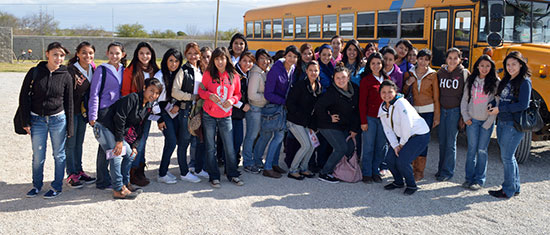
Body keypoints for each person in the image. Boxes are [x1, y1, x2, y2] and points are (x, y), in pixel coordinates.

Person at [94, 78, 162, 199]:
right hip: (104, 126)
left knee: (130, 154)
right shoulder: (132, 98)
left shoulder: (148, 106)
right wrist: (119, 141)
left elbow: (139, 127)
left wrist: (134, 146)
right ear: (144, 88)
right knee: (116, 154)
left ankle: (126, 183)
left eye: (157, 93)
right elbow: (119, 118)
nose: (154, 95)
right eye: (152, 91)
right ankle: (118, 189)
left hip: (114, 130)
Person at [21, 42, 74, 199]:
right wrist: (25, 121)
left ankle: (56, 187)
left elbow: (69, 103)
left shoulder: (66, 75)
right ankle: (36, 185)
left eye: (62, 55)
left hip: (58, 120)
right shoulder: (35, 72)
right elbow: (23, 97)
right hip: (37, 120)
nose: (58, 58)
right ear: (47, 54)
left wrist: (70, 127)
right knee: (38, 155)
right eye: (55, 54)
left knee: (59, 155)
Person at [487, 51, 531, 198]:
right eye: (508, 64)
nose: (510, 67)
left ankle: (508, 190)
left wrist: (500, 109)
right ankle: (514, 186)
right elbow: (499, 98)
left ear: (521, 64)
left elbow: (523, 105)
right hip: (502, 122)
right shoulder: (506, 80)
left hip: (513, 124)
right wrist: (492, 105)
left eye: (514, 64)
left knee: (506, 157)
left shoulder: (525, 82)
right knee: (509, 157)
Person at [198, 47, 244, 188]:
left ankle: (232, 174)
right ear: (214, 60)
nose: (219, 61)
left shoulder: (234, 75)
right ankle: (214, 176)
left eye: (222, 58)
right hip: (209, 115)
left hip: (226, 116)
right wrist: (208, 95)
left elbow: (238, 94)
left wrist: (232, 101)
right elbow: (200, 91)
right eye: (217, 58)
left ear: (227, 59)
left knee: (229, 147)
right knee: (211, 147)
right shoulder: (208, 74)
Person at [255, 45, 299, 178]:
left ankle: (273, 164)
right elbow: (268, 94)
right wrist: (284, 102)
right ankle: (264, 165)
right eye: (289, 55)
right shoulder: (276, 70)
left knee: (278, 137)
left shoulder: (292, 69)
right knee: (266, 136)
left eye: (295, 57)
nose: (292, 59)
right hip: (273, 108)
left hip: (282, 109)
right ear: (285, 56)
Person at [379, 80, 430, 195]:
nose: (387, 95)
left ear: (395, 92)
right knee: (389, 159)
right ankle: (398, 182)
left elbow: (407, 125)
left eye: (390, 92)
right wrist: (395, 145)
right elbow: (387, 130)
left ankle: (411, 185)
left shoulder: (401, 103)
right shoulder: (382, 108)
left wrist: (401, 144)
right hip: (402, 137)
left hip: (418, 135)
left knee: (403, 161)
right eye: (383, 92)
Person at [89, 42, 127, 190]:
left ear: (122, 55)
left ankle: (107, 178)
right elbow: (94, 93)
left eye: (117, 53)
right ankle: (103, 180)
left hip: (119, 112)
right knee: (106, 145)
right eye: (111, 53)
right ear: (107, 53)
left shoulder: (125, 70)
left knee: (110, 146)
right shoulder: (102, 70)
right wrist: (93, 115)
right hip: (104, 112)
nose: (114, 56)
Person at [122, 42, 159, 186]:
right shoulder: (130, 71)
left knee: (142, 141)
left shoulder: (155, 70)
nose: (145, 56)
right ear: (137, 54)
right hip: (134, 112)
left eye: (148, 53)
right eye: (142, 53)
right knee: (134, 142)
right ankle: (132, 171)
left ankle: (139, 169)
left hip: (148, 112)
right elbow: (125, 92)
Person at [314, 66, 360, 183]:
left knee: (350, 148)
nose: (341, 80)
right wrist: (329, 118)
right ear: (333, 79)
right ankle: (324, 173)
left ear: (348, 77)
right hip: (327, 125)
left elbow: (357, 111)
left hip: (344, 125)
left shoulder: (354, 89)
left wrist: (354, 128)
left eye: (343, 77)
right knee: (341, 148)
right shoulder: (331, 92)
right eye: (337, 78)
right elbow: (318, 107)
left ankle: (342, 170)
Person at [460, 55, 499, 190]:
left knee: (482, 150)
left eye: (488, 66)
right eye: (482, 65)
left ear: (491, 67)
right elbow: (465, 100)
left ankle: (479, 180)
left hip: (486, 122)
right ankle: (468, 178)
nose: (484, 68)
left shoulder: (495, 82)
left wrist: (489, 122)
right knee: (471, 150)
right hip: (472, 121)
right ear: (477, 66)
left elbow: (497, 104)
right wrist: (466, 117)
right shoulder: (471, 80)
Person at [170, 43, 206, 183]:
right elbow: (175, 92)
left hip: (199, 110)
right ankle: (184, 172)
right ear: (186, 54)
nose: (193, 56)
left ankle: (197, 169)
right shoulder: (183, 70)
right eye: (190, 53)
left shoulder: (201, 70)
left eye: (195, 53)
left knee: (197, 140)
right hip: (186, 110)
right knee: (184, 141)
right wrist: (191, 97)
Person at [402, 49, 440, 181]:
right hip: (413, 111)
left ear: (429, 61)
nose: (423, 62)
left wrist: (437, 116)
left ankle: (419, 171)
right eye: (421, 59)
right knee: (411, 140)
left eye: (426, 59)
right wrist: (408, 83)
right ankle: (411, 167)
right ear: (417, 59)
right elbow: (404, 91)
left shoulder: (433, 75)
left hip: (428, 111)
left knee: (423, 142)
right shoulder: (410, 72)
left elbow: (436, 96)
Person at [65, 41, 96, 188]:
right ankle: (71, 174)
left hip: (83, 113)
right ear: (77, 54)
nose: (87, 55)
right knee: (70, 144)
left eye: (90, 53)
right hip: (71, 112)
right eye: (84, 52)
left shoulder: (93, 69)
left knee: (79, 143)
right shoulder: (70, 71)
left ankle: (79, 170)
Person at [436, 48, 468, 182]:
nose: (452, 60)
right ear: (446, 59)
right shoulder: (441, 72)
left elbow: (467, 95)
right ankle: (441, 169)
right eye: (450, 57)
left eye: (456, 58)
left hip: (455, 111)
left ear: (460, 59)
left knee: (450, 142)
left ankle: (448, 171)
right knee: (442, 142)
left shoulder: (464, 73)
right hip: (442, 110)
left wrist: (463, 115)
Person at [285, 61, 321, 180]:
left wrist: (312, 125)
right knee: (305, 145)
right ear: (306, 71)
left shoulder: (318, 86)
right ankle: (293, 170)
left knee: (312, 145)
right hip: (294, 121)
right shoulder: (300, 85)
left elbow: (315, 109)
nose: (313, 73)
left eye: (315, 70)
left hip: (306, 122)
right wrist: (300, 116)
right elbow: (290, 103)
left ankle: (304, 168)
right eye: (310, 70)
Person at [359, 52, 389, 184]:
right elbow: (361, 103)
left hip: (384, 119)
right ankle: (366, 172)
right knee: (369, 146)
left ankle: (375, 171)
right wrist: (363, 121)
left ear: (382, 64)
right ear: (369, 65)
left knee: (381, 146)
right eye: (373, 63)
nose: (376, 66)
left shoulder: (387, 79)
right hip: (370, 118)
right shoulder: (366, 80)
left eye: (378, 63)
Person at [242, 49, 271, 174]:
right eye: (262, 58)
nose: (265, 61)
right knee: (251, 136)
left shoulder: (264, 72)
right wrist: (268, 97)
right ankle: (248, 162)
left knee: (261, 136)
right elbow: (252, 95)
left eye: (267, 58)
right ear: (257, 60)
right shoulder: (255, 74)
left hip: (262, 109)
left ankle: (257, 159)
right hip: (254, 109)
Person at [231, 51, 255, 168]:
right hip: (232, 112)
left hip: (239, 114)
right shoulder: (235, 74)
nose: (247, 63)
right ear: (239, 61)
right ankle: (230, 166)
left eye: (250, 61)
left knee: (237, 140)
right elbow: (230, 95)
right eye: (244, 60)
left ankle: (233, 164)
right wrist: (241, 105)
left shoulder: (248, 74)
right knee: (234, 141)